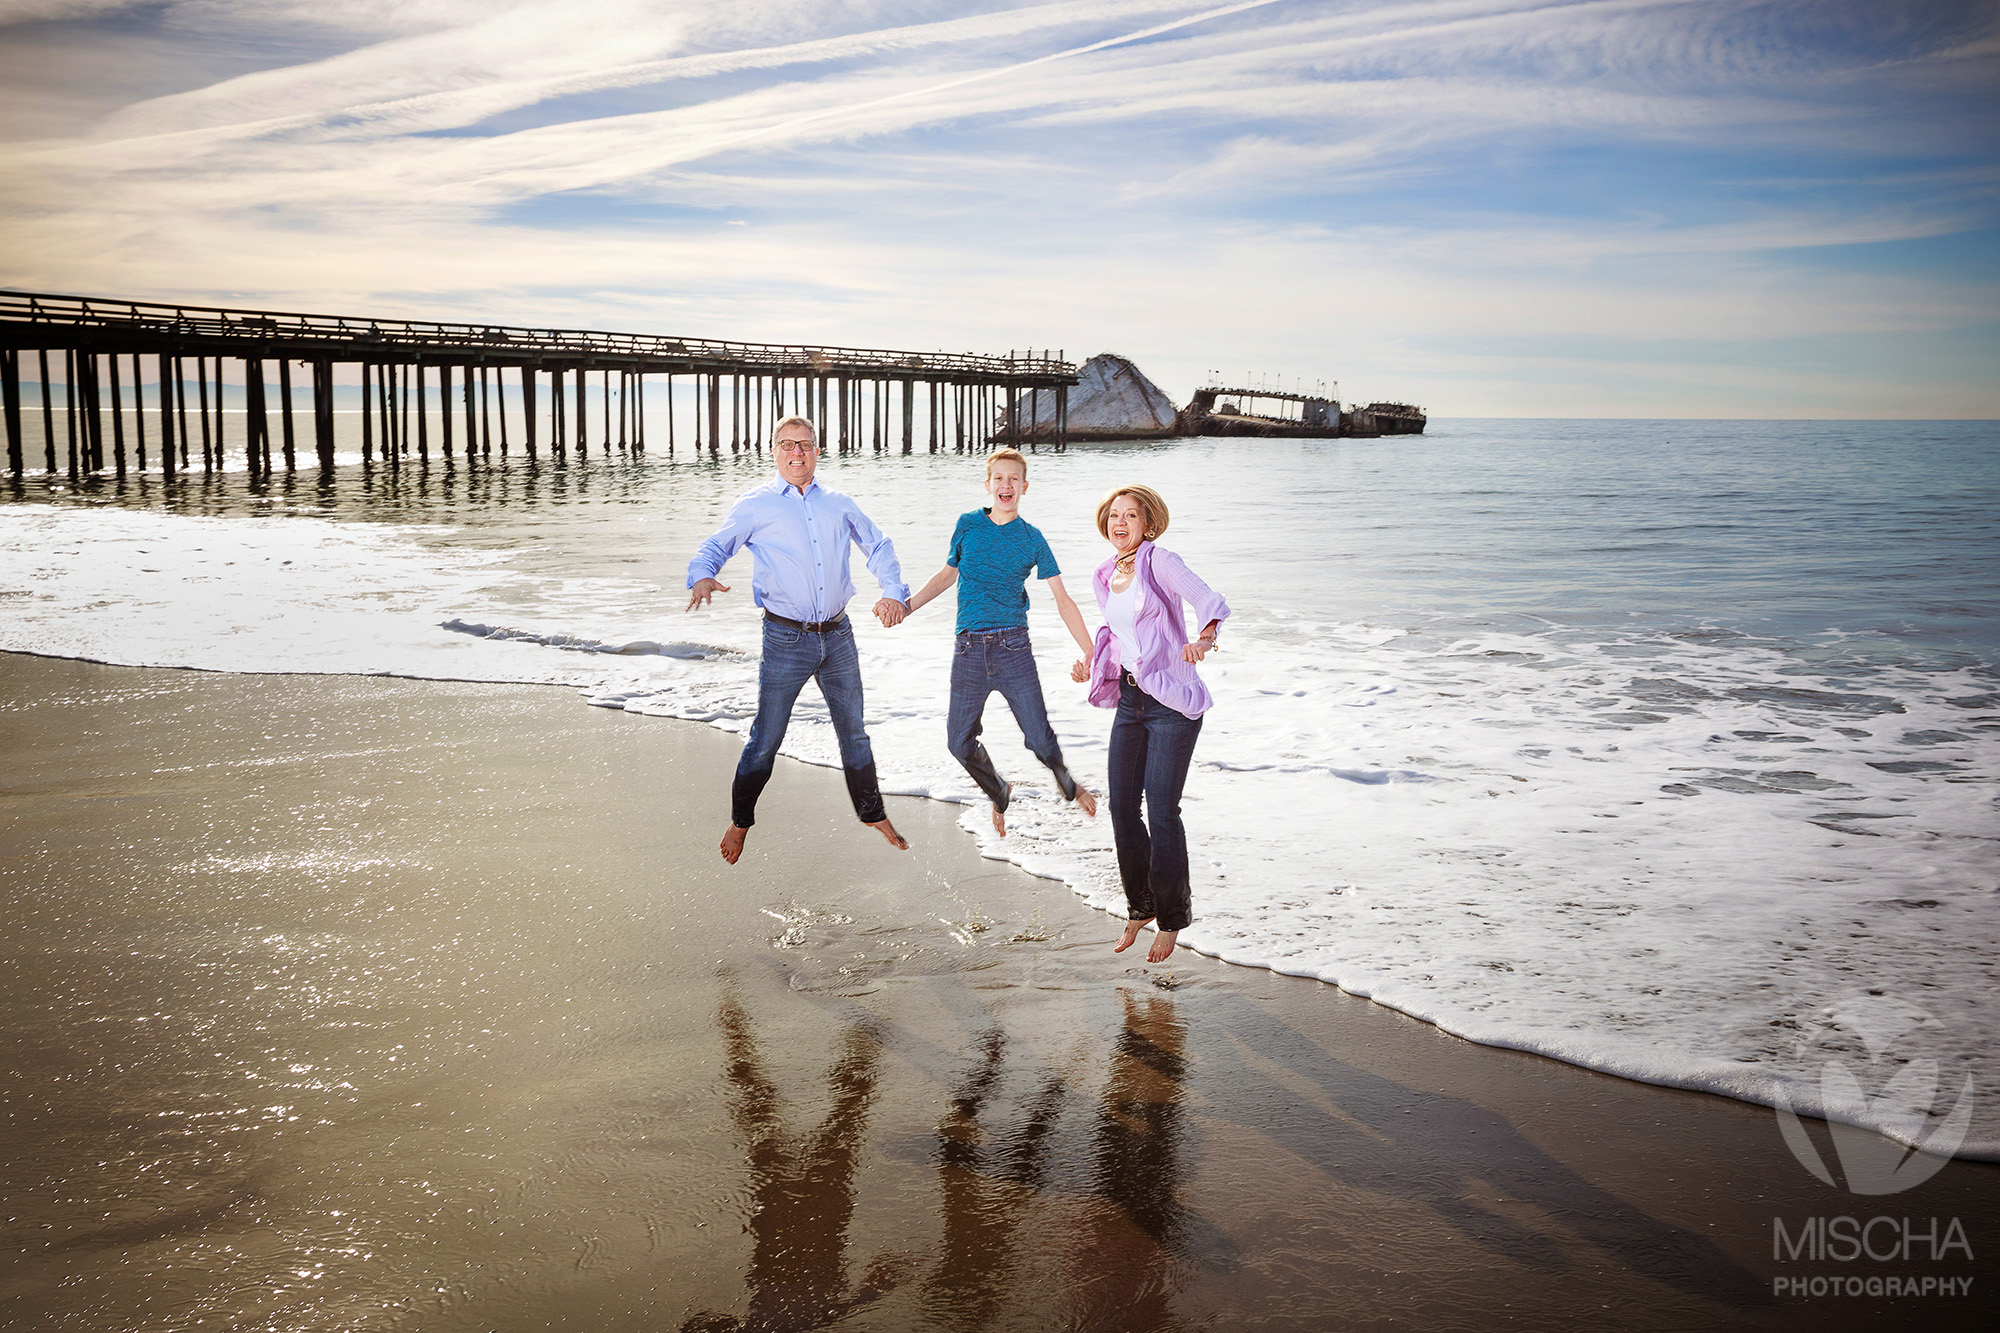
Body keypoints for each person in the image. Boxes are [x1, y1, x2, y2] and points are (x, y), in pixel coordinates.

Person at [686, 415, 912, 865]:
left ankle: (872, 812)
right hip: (785, 639)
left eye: (805, 445)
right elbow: (715, 547)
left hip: (839, 636)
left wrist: (892, 590)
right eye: (788, 444)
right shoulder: (756, 506)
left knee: (855, 734)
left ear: (817, 450)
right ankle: (741, 820)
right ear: (773, 450)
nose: (797, 453)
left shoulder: (839, 503)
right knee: (766, 738)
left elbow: (879, 545)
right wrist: (703, 576)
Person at [905, 448, 1100, 836]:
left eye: (1014, 479)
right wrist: (907, 607)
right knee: (959, 743)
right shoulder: (967, 525)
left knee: (1040, 739)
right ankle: (999, 791)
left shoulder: (1032, 539)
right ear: (988, 484)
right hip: (968, 650)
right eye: (999, 478)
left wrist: (1090, 649)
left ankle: (1066, 781)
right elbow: (947, 575)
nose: (1006, 485)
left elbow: (1062, 599)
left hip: (1014, 649)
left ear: (1024, 487)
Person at [1070, 484, 1228, 963]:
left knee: (1162, 811)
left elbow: (1208, 598)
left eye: (1131, 516)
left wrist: (1204, 639)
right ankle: (1140, 906)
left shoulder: (1160, 561)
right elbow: (1118, 634)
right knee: (1122, 808)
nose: (1120, 523)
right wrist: (1091, 661)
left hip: (1172, 706)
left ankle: (1172, 920)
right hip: (1131, 701)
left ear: (1148, 523)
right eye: (1114, 515)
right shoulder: (1104, 573)